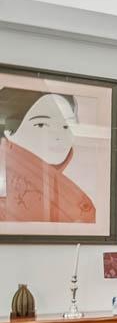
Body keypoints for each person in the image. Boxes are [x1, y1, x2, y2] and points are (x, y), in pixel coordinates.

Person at [0, 89, 95, 223]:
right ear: (9, 131)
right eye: (41, 125)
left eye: (66, 126)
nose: (59, 136)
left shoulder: (85, 175)